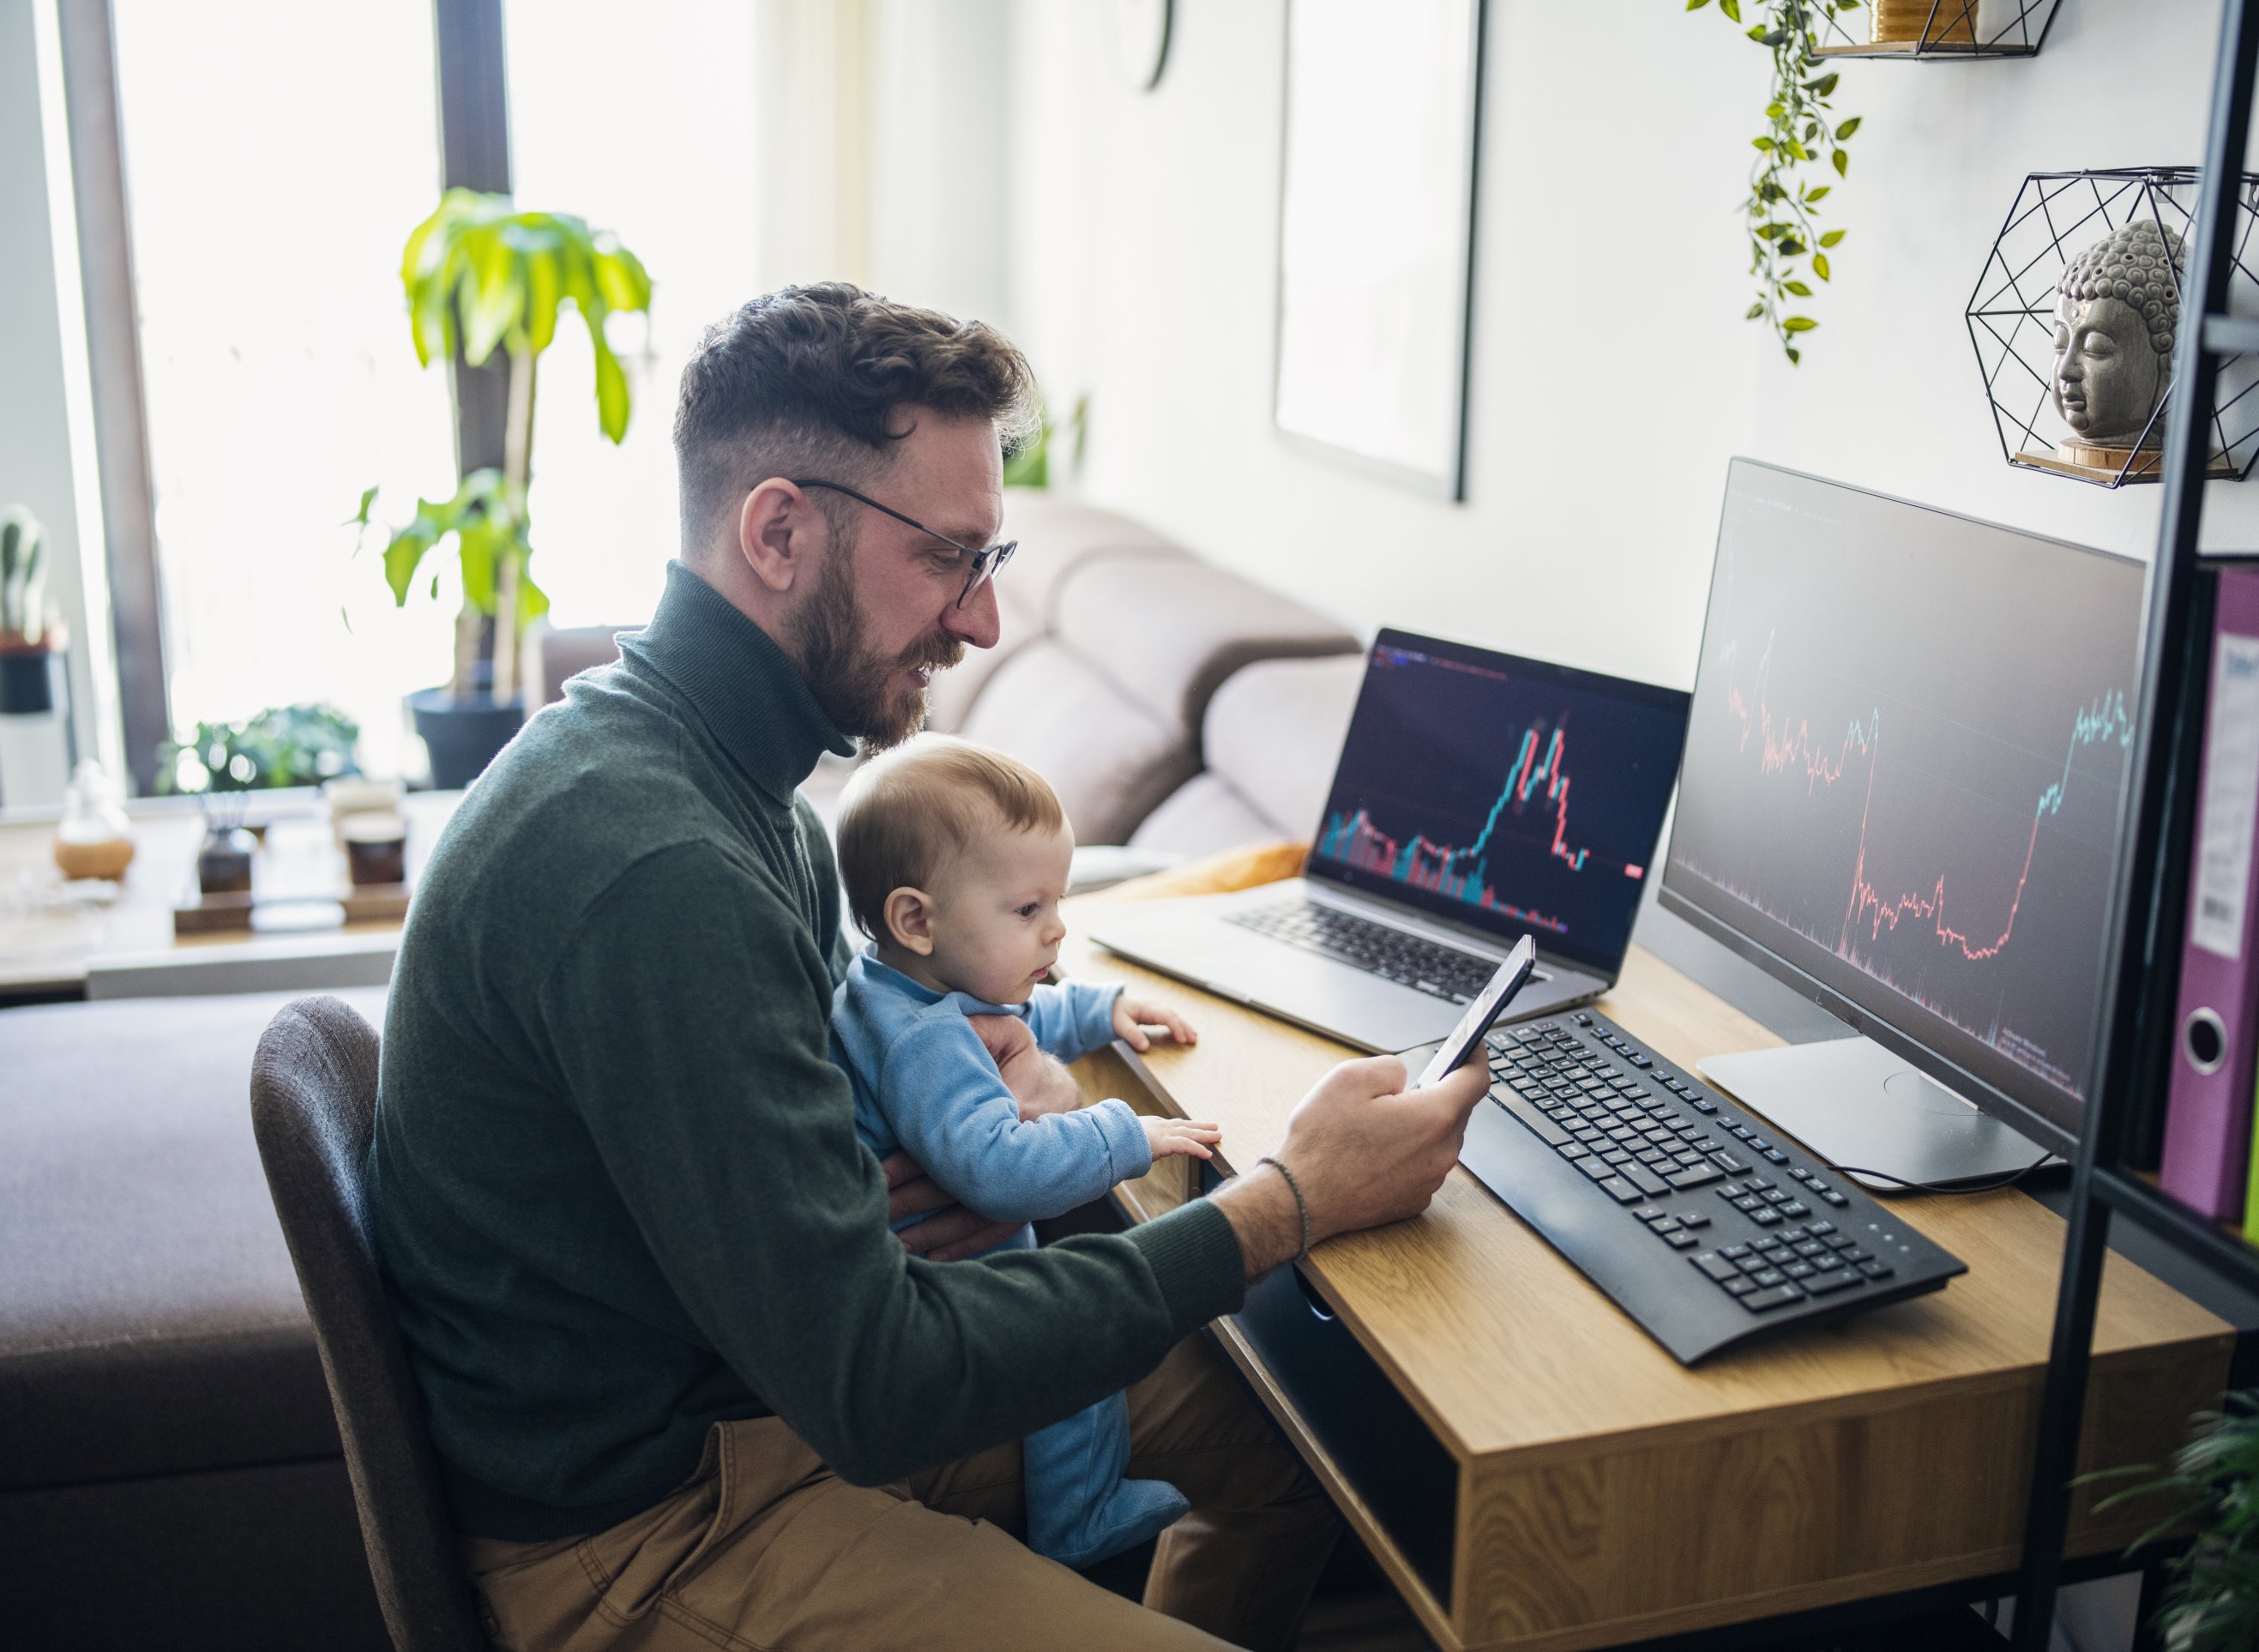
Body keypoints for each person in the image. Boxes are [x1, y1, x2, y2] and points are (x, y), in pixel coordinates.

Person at [368, 280, 1492, 1652]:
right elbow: (877, 1380)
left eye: (990, 564)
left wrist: (867, 1196)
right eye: (951, 559)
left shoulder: (739, 785)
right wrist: (1282, 1205)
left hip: (757, 1380)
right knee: (1243, 1324)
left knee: (1289, 1444)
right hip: (654, 1525)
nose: (981, 625)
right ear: (778, 530)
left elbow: (801, 1163)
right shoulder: (656, 864)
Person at [831, 734, 1218, 1571]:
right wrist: (1126, 1134)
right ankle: (1078, 1516)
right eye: (1028, 910)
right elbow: (1000, 1170)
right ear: (915, 918)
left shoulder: (902, 986)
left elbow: (1009, 1015)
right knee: (1073, 1344)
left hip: (920, 1271)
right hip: (939, 1292)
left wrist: (1098, 1011)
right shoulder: (921, 1046)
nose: (1057, 929)